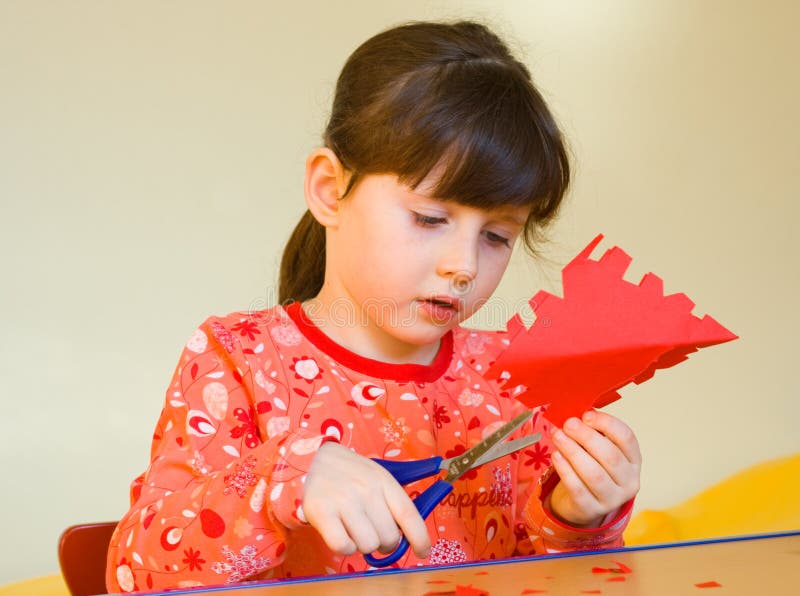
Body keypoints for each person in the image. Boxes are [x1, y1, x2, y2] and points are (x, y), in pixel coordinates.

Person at [106, 20, 641, 593]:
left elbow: (560, 576)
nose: (463, 265)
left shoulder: (511, 383)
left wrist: (581, 516)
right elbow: (134, 575)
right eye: (430, 219)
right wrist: (281, 477)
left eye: (497, 236)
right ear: (331, 190)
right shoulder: (237, 360)